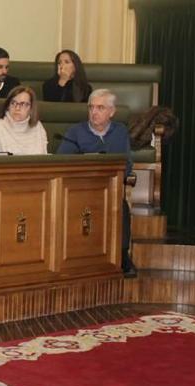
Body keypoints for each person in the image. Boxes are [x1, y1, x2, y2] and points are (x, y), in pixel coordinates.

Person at [56, 88, 135, 277]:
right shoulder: (75, 132)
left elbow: (128, 164)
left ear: (112, 112)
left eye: (100, 107)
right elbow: (60, 162)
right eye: (91, 107)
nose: (94, 112)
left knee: (121, 209)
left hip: (110, 191)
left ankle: (123, 257)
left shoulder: (120, 132)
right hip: (80, 191)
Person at [0, 86, 48, 155]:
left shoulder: (38, 127)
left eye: (23, 104)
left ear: (31, 108)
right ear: (8, 106)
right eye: (13, 103)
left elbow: (44, 158)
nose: (17, 108)